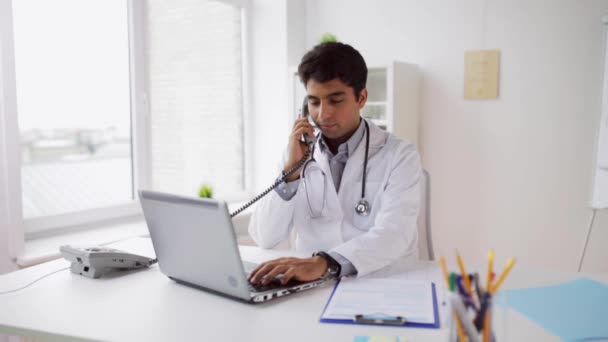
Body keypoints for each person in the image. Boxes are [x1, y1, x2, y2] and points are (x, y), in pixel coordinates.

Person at [248, 42, 421, 286]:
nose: (322, 114)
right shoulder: (296, 156)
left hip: (381, 282)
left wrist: (325, 263)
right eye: (314, 102)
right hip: (311, 288)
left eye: (335, 100)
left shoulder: (400, 155)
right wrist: (290, 175)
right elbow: (264, 237)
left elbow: (395, 233)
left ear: (361, 98)